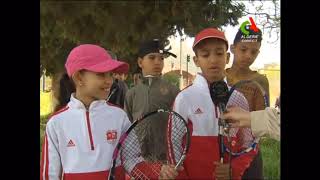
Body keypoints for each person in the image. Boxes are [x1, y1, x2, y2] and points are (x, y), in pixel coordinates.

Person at [40, 44, 178, 180]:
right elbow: (50, 174)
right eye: (101, 74)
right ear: (79, 78)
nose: (109, 81)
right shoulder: (57, 123)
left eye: (111, 74)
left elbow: (131, 159)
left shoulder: (119, 116)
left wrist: (157, 172)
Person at [172, 28, 258, 179]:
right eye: (205, 55)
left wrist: (234, 169)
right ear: (196, 60)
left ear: (227, 57)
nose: (213, 60)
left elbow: (250, 144)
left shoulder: (238, 98)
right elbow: (173, 145)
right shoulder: (184, 98)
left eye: (219, 53)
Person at [124, 39, 180, 162]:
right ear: (140, 62)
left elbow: (178, 125)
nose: (157, 62)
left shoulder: (173, 91)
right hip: (139, 161)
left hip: (166, 161)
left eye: (161, 58)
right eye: (152, 58)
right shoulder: (131, 94)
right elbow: (128, 125)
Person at [225, 26, 269, 180]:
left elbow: (262, 120)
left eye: (254, 52)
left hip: (249, 151)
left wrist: (248, 146)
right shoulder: (219, 77)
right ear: (233, 48)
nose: (248, 56)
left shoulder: (259, 81)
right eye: (243, 49)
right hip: (222, 147)